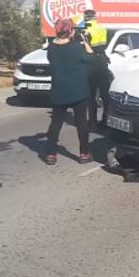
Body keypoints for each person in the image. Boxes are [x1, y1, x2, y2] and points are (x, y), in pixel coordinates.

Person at [45, 18, 95, 165]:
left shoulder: (51, 48)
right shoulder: (76, 47)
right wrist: (85, 41)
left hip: (59, 90)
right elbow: (91, 59)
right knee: (81, 122)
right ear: (70, 31)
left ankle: (50, 154)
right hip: (78, 91)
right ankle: (84, 153)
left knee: (56, 123)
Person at [83, 9, 112, 129]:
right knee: (105, 94)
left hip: (91, 63)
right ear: (95, 17)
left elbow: (84, 48)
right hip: (103, 61)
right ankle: (106, 120)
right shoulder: (102, 29)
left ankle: (93, 122)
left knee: (91, 94)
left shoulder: (85, 31)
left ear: (86, 18)